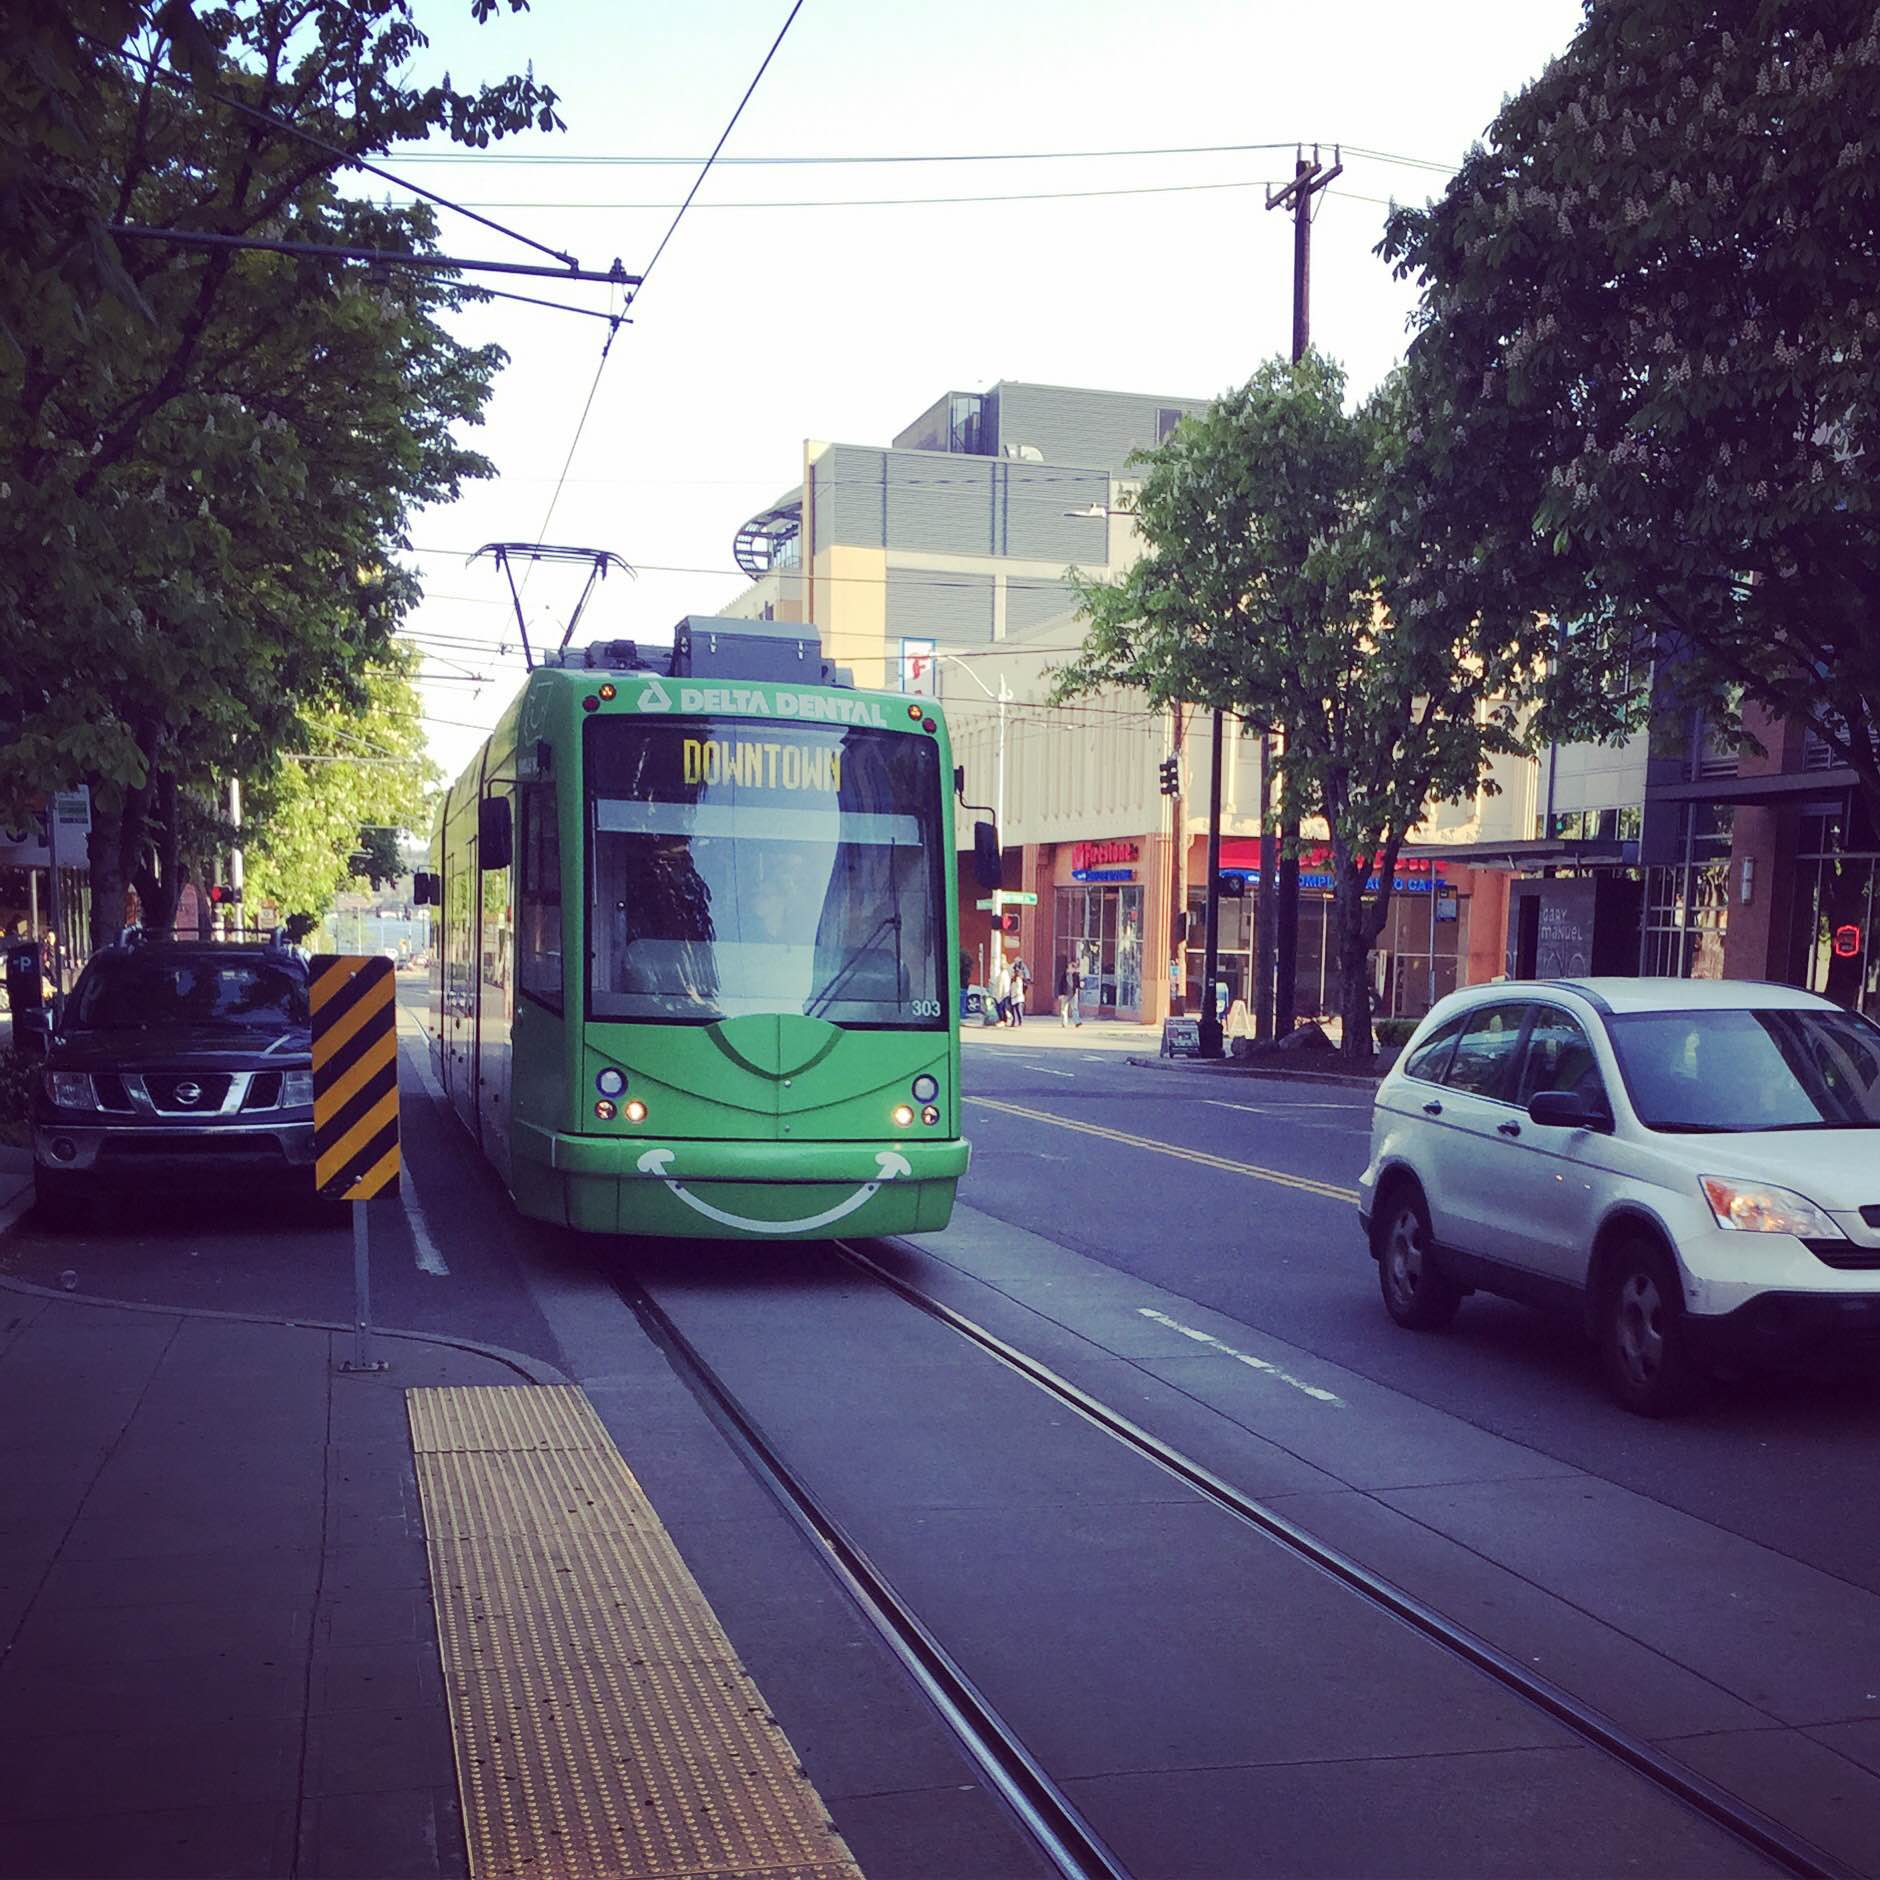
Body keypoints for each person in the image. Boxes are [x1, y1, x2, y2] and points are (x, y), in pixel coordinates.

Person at [1057, 957, 1082, 1027]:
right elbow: (1060, 985)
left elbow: (1077, 985)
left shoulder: (1076, 975)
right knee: (1063, 1009)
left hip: (1073, 994)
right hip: (1065, 994)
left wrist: (1081, 986)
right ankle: (1064, 1023)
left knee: (1075, 1008)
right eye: (1071, 968)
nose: (1073, 970)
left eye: (1074, 968)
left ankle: (1077, 1022)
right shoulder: (1064, 975)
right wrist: (1060, 994)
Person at [991, 956, 1012, 1026]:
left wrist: (998, 997)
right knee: (1004, 1008)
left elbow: (1000, 986)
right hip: (1005, 994)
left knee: (1000, 1008)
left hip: (1001, 995)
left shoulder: (1002, 975)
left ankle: (1002, 1020)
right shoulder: (1006, 974)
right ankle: (1004, 1020)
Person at [1009, 957, 1030, 1027]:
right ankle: (1016, 1021)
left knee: (1018, 1008)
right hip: (1015, 995)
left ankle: (1019, 1021)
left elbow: (1025, 979)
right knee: (1015, 1009)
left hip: (1017, 995)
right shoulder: (1015, 975)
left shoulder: (1019, 975)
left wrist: (1017, 993)